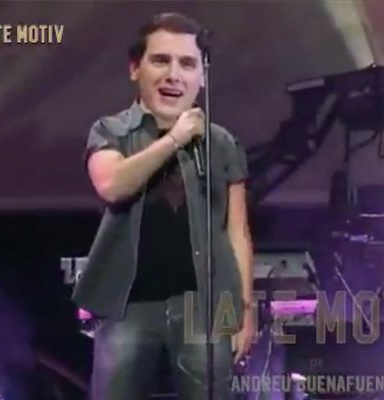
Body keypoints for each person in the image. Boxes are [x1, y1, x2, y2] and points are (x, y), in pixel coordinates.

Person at [71, 12, 255, 400]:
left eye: (187, 64)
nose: (174, 75)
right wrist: (174, 139)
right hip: (127, 308)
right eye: (160, 60)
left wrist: (244, 309)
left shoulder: (221, 143)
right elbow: (112, 184)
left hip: (204, 308)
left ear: (202, 76)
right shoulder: (111, 131)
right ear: (135, 69)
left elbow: (237, 231)